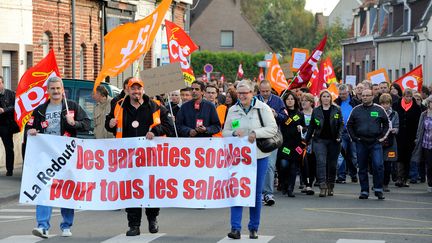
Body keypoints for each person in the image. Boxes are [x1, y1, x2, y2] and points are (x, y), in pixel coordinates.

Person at [105, 77, 174, 236]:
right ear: (127, 90)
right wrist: (110, 124)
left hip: (151, 157)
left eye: (139, 89)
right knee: (131, 190)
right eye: (133, 89)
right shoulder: (119, 105)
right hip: (128, 157)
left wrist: (155, 132)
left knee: (150, 189)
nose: (136, 92)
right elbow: (110, 124)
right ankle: (134, 225)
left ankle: (152, 219)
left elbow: (169, 127)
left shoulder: (155, 106)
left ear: (143, 90)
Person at [27, 76, 90, 238]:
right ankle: (42, 226)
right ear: (48, 91)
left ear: (63, 90)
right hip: (46, 156)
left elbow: (87, 124)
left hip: (67, 156)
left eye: (58, 88)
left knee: (66, 189)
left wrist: (73, 123)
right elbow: (29, 127)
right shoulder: (40, 110)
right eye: (52, 89)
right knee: (43, 188)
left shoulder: (73, 107)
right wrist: (31, 132)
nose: (55, 91)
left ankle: (66, 225)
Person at [222, 79, 277, 240]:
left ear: (252, 93)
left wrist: (255, 133)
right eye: (239, 93)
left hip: (258, 156)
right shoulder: (232, 110)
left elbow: (272, 129)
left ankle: (253, 227)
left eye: (245, 93)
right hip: (238, 158)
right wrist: (233, 133)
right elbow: (225, 131)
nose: (241, 96)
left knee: (255, 193)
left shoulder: (262, 108)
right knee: (237, 191)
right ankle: (235, 228)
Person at [347, 89, 389, 200]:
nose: (364, 97)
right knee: (362, 168)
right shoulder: (356, 110)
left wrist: (382, 137)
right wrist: (355, 138)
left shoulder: (379, 109)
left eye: (367, 95)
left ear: (372, 96)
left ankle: (378, 189)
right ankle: (364, 190)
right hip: (361, 142)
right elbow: (349, 125)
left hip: (375, 142)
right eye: (363, 95)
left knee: (378, 165)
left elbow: (387, 124)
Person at [305, 90, 343, 197]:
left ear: (331, 98)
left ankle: (331, 185)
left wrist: (339, 137)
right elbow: (311, 126)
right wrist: (306, 141)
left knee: (332, 164)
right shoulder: (316, 111)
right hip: (319, 140)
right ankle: (322, 186)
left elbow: (341, 124)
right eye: (324, 96)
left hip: (334, 141)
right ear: (320, 98)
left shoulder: (337, 109)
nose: (326, 98)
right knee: (321, 162)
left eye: (328, 96)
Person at [257, 80, 287, 206]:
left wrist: (276, 114)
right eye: (263, 91)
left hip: (272, 138)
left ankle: (268, 193)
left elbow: (285, 117)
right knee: (256, 166)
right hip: (257, 137)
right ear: (259, 90)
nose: (265, 94)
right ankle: (256, 193)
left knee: (269, 165)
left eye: (267, 91)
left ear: (271, 89)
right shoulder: (254, 100)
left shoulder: (278, 100)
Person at [278, 91, 305, 197]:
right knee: (284, 165)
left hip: (296, 144)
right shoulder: (283, 113)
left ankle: (290, 188)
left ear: (295, 101)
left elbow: (305, 127)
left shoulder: (300, 114)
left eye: (292, 99)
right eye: (288, 99)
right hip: (284, 144)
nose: (290, 101)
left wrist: (302, 128)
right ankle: (283, 183)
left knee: (294, 167)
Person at [393, 88, 421, 187]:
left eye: (410, 96)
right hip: (399, 135)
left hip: (410, 136)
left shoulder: (416, 108)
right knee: (399, 156)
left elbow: (418, 123)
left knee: (408, 157)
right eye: (406, 96)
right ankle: (399, 177)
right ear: (403, 96)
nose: (408, 98)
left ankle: (405, 179)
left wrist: (416, 136)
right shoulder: (396, 105)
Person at [334, 84, 359, 184]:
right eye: (340, 94)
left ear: (348, 92)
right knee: (341, 154)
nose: (342, 96)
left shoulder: (355, 102)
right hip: (341, 132)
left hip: (353, 132)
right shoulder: (336, 103)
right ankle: (341, 176)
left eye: (344, 94)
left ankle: (353, 174)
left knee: (353, 155)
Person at [411, 96, 432, 192]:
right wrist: (417, 139)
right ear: (428, 103)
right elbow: (420, 128)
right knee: (429, 164)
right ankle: (430, 183)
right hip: (426, 143)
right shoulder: (424, 114)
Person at [379, 93, 399, 192]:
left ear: (390, 104)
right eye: (383, 103)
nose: (385, 106)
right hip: (379, 141)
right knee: (378, 164)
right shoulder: (376, 112)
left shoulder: (394, 114)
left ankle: (385, 184)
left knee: (388, 165)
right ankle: (377, 183)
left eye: (387, 103)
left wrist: (394, 129)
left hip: (390, 142)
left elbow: (397, 127)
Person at [0, 76, 17, 176]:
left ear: (2, 83)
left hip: (6, 125)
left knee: (9, 148)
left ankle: (9, 170)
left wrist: (4, 110)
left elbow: (16, 106)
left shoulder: (10, 94)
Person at [299, 93, 316, 195]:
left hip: (314, 142)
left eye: (306, 100)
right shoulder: (299, 114)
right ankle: (306, 184)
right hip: (302, 142)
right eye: (302, 100)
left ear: (311, 102)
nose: (303, 102)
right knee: (303, 163)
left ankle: (310, 183)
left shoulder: (316, 113)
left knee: (312, 162)